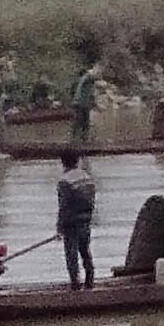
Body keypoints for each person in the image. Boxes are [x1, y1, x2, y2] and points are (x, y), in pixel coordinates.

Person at [56, 147, 96, 290]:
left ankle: (75, 283)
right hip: (86, 220)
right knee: (85, 250)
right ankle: (90, 280)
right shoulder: (87, 178)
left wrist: (59, 226)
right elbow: (91, 200)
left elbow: (64, 206)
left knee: (71, 253)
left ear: (63, 163)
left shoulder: (64, 181)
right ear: (78, 161)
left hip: (71, 223)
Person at [71, 64, 99, 141]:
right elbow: (90, 77)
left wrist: (94, 105)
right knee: (82, 124)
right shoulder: (87, 78)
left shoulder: (83, 81)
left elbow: (90, 96)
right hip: (81, 104)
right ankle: (79, 139)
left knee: (82, 124)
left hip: (80, 103)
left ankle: (80, 139)